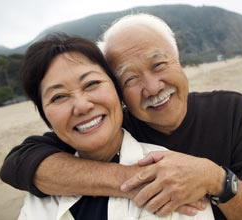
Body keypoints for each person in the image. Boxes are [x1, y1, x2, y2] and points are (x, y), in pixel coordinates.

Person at [0, 14, 242, 220]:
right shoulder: (110, 128)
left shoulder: (230, 110)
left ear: (178, 59)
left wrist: (214, 178)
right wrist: (142, 180)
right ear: (118, 92)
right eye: (130, 78)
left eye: (159, 64)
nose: (153, 87)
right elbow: (19, 163)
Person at [17, 34, 214, 220]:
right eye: (59, 97)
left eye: (91, 84)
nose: (82, 106)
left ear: (119, 93)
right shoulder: (40, 196)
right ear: (45, 115)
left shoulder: (175, 180)